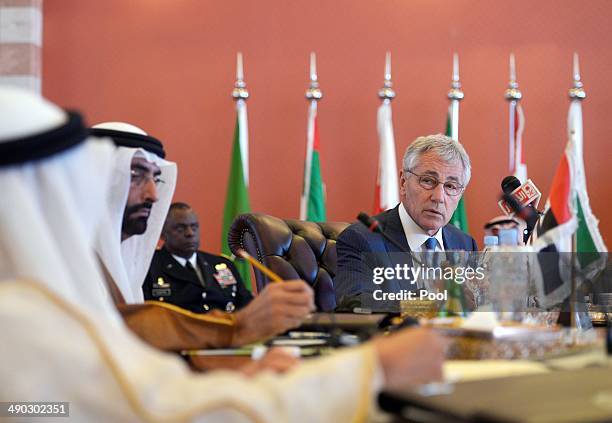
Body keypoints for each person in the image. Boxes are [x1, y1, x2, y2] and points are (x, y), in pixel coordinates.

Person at [0, 86, 446, 422]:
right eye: (134, 175)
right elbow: (142, 411)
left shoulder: (52, 292)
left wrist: (221, 382)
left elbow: (88, 392)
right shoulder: (20, 314)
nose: (155, 194)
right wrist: (371, 369)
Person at [90, 122, 314, 350]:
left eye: (155, 178)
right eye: (136, 174)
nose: (153, 195)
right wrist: (235, 327)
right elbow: (117, 337)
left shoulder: (129, 264)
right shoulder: (70, 262)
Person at [334, 134, 478, 310]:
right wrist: (430, 303)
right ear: (403, 182)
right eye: (428, 181)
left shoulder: (464, 242)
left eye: (451, 186)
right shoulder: (362, 239)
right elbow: (353, 303)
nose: (439, 197)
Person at [144, 202, 253, 313]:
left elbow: (247, 306)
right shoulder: (149, 267)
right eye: (180, 229)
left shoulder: (222, 264)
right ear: (162, 233)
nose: (190, 233)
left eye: (194, 227)